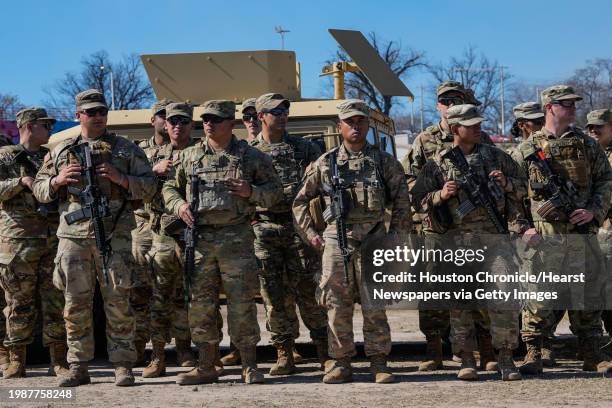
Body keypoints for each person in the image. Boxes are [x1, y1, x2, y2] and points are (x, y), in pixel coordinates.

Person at [33, 89, 156, 387]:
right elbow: (39, 188)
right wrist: (57, 180)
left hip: (114, 234)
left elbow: (151, 187)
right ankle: (78, 366)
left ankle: (123, 365)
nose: (98, 116)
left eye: (101, 111)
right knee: (75, 303)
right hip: (73, 239)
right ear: (78, 116)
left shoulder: (126, 149)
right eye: (91, 112)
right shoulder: (61, 150)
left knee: (118, 301)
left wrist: (122, 179)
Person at [163, 99, 283, 385]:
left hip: (237, 239)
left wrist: (250, 191)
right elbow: (169, 188)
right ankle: (206, 365)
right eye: (205, 119)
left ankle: (249, 365)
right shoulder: (190, 156)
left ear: (232, 123)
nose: (208, 124)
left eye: (215, 119)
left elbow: (275, 192)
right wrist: (179, 205)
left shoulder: (250, 156)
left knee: (241, 303)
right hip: (200, 240)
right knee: (200, 305)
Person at [293, 99, 412, 384]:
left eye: (360, 121)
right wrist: (312, 235)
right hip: (337, 241)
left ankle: (379, 362)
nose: (355, 126)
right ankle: (341, 362)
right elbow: (299, 202)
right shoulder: (326, 162)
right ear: (340, 127)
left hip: (374, 239)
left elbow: (402, 202)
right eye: (350, 122)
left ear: (368, 125)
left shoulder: (384, 162)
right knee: (336, 304)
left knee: (374, 305)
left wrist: (395, 238)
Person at [411, 104, 528, 381]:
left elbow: (525, 189)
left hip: (494, 242)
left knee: (503, 297)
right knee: (460, 303)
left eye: (478, 123)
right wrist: (440, 194)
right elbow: (416, 201)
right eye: (470, 124)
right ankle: (465, 358)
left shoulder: (497, 157)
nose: (477, 128)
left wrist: (507, 184)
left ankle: (506, 358)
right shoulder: (438, 163)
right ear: (455, 130)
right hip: (458, 243)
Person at [514, 85, 612, 375]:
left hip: (581, 234)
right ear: (549, 107)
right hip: (543, 238)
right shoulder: (526, 149)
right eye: (565, 104)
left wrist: (594, 210)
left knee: (587, 296)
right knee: (539, 297)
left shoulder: (587, 145)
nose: (571, 108)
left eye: (573, 104)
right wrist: (522, 228)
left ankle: (592, 353)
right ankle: (534, 351)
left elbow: (606, 182)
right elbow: (511, 195)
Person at [402, 81, 496, 372]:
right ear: (437, 105)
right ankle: (434, 351)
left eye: (456, 100)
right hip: (436, 226)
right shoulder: (424, 139)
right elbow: (408, 183)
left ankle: (485, 350)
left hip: (473, 226)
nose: (449, 105)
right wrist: (436, 195)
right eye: (444, 101)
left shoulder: (482, 140)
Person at [250, 93, 329, 375]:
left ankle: (325, 352)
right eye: (274, 111)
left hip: (299, 228)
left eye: (285, 110)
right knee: (274, 296)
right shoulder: (249, 152)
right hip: (264, 228)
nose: (282, 115)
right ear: (261, 116)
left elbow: (324, 185)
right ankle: (284, 354)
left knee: (309, 291)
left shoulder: (304, 148)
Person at [0, 107, 68, 378]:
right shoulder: (5, 157)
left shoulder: (50, 157)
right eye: (45, 125)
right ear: (28, 126)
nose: (50, 129)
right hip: (18, 242)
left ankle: (59, 360)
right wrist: (20, 181)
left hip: (51, 239)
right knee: (18, 302)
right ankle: (17, 360)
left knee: (55, 301)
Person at [143, 103, 206, 378]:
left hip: (196, 232)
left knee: (189, 296)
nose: (177, 126)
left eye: (183, 121)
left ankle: (185, 350)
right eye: (172, 121)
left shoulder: (202, 151)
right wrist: (152, 172)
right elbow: (136, 190)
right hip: (162, 234)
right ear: (164, 125)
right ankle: (157, 355)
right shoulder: (150, 155)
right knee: (160, 296)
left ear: (191, 125)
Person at [130, 98, 172, 366]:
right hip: (143, 225)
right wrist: (152, 172)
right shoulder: (138, 152)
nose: (166, 121)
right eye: (161, 115)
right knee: (139, 290)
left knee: (173, 292)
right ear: (152, 120)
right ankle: (137, 347)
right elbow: (128, 186)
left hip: (172, 225)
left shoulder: (187, 149)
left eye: (172, 117)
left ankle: (178, 347)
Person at [585, 108, 612, 336]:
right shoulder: (585, 154)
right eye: (590, 127)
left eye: (599, 126)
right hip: (591, 231)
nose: (593, 130)